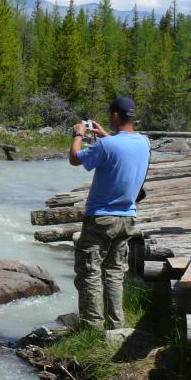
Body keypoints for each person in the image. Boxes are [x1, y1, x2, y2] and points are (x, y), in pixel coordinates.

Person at [68, 97, 151, 330]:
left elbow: (75, 159)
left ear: (115, 115)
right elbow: (120, 147)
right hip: (127, 217)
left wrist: (78, 135)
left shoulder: (107, 145)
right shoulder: (144, 142)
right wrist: (105, 134)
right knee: (115, 272)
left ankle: (92, 327)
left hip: (101, 217)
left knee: (89, 271)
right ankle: (115, 326)